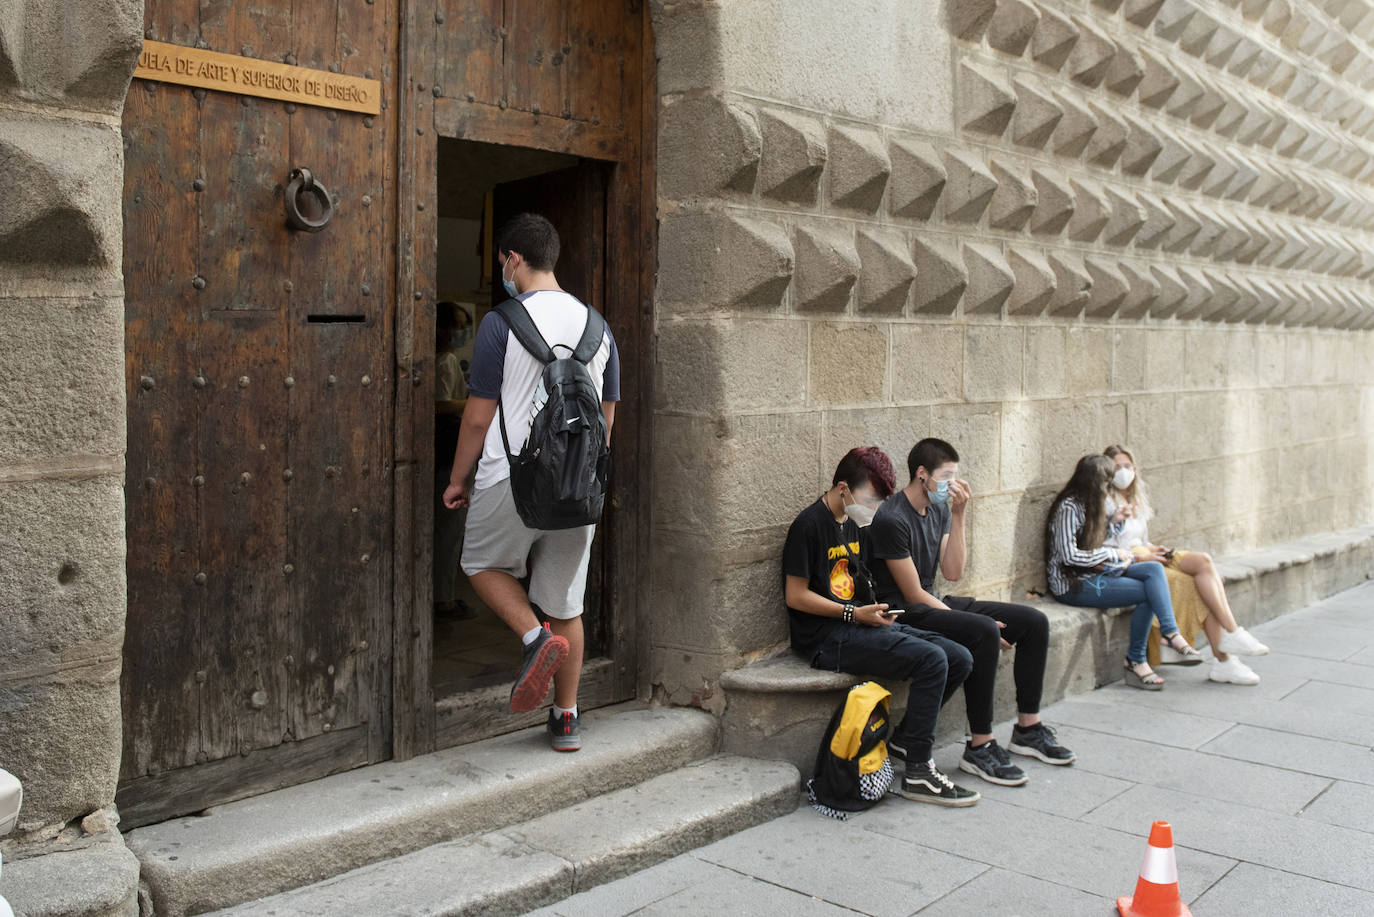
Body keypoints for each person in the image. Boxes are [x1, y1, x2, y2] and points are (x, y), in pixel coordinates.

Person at [443, 213, 620, 752]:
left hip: (510, 478)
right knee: (567, 604)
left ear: (512, 260)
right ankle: (566, 720)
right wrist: (584, 474)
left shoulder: (502, 323)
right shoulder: (599, 326)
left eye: (503, 264)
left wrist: (458, 479)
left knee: (480, 563)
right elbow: (608, 415)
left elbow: (477, 416)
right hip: (579, 487)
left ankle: (531, 639)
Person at [869, 438, 1075, 790]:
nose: (953, 485)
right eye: (946, 476)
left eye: (955, 477)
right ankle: (980, 745)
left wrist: (961, 514)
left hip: (933, 599)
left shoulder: (940, 509)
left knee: (1033, 622)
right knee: (982, 631)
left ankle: (1027, 729)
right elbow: (912, 593)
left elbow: (952, 571)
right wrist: (967, 621)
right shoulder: (891, 518)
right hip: (903, 610)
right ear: (922, 474)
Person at [783, 447, 981, 807]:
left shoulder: (856, 524)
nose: (874, 509)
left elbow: (860, 586)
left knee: (960, 657)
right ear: (843, 488)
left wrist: (875, 611)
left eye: (879, 501)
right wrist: (852, 615)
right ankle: (919, 772)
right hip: (825, 638)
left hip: (861, 622)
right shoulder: (809, 525)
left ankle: (907, 740)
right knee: (933, 659)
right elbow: (796, 596)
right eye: (870, 499)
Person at [1103, 445, 1269, 685]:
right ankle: (1225, 661)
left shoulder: (1137, 500)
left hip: (1147, 553)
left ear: (1135, 469)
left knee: (1203, 562)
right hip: (1130, 562)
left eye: (1127, 466)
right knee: (1196, 587)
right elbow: (1106, 545)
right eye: (1117, 467)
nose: (1123, 471)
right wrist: (1142, 556)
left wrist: (1153, 549)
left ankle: (1233, 633)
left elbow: (1142, 539)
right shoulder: (1105, 502)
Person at [1047, 455, 1185, 690]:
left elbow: (1093, 539)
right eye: (1107, 482)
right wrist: (1112, 555)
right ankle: (1138, 660)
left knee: (1152, 569)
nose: (1109, 488)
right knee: (1147, 593)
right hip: (1072, 584)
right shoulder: (1069, 506)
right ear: (1096, 481)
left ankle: (1170, 633)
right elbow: (1068, 556)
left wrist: (1115, 523)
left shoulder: (1093, 503)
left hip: (1096, 573)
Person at [434, 302, 474, 619]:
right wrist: (474, 401)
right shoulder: (445, 360)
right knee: (449, 529)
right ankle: (443, 598)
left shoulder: (440, 359)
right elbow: (441, 404)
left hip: (440, 451)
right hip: (449, 451)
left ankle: (441, 594)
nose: (461, 332)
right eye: (458, 325)